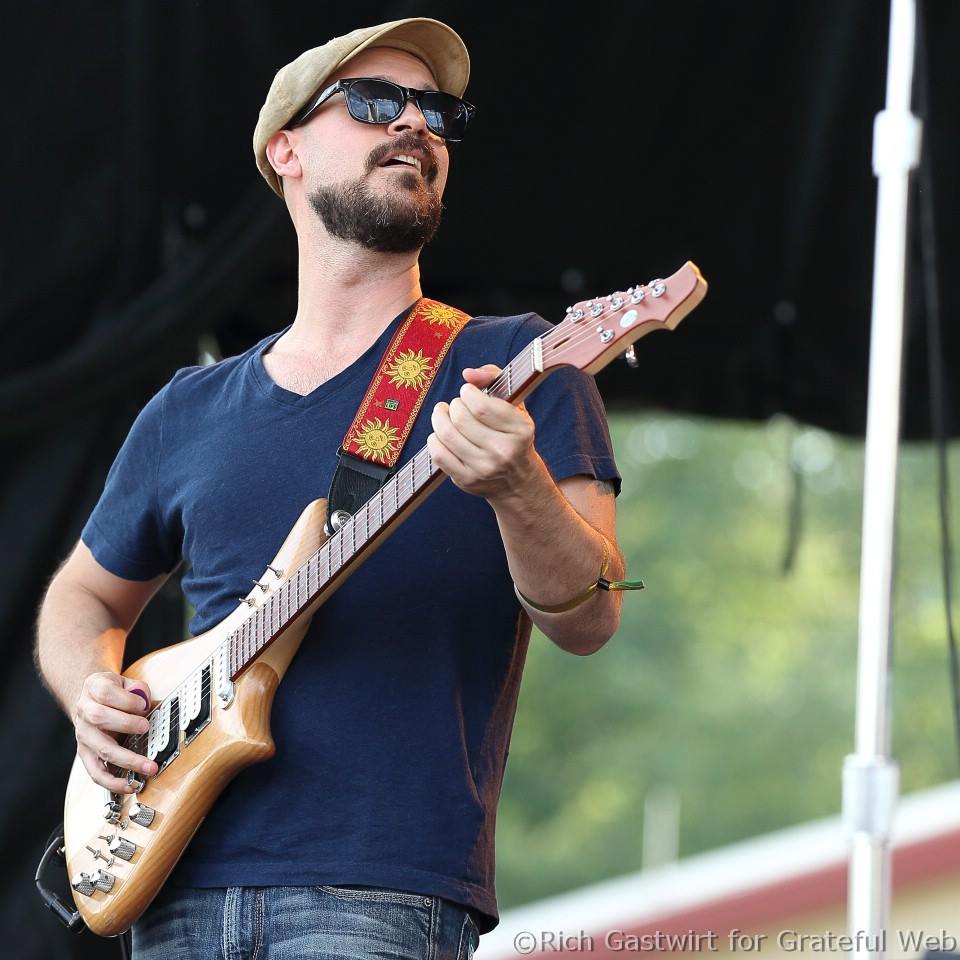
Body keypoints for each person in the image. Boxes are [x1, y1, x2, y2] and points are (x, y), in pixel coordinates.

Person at [35, 17, 625, 960]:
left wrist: (518, 487)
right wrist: (91, 692)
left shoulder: (517, 366)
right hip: (174, 886)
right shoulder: (188, 407)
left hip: (380, 891)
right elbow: (83, 597)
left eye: (436, 111)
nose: (416, 124)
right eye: (376, 102)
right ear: (287, 149)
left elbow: (590, 617)